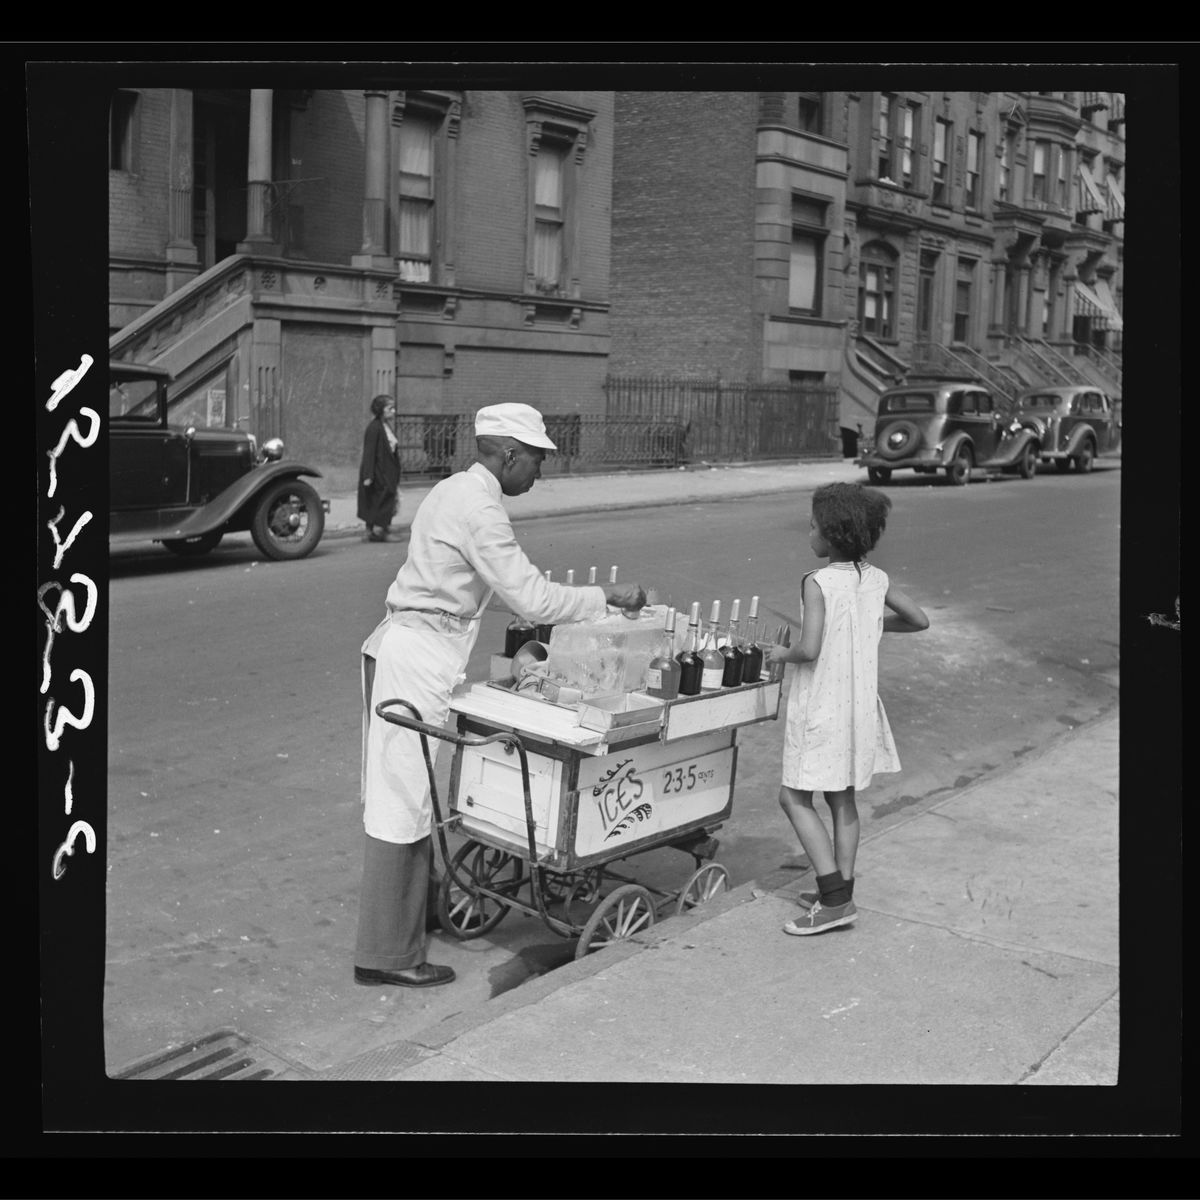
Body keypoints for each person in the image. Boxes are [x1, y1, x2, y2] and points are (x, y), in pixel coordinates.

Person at [354, 402, 647, 988]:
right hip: (417, 654)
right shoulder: (480, 508)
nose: (539, 472)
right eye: (536, 458)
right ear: (508, 454)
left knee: (406, 795)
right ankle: (387, 956)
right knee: (403, 801)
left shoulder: (454, 489)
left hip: (406, 645)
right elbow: (532, 600)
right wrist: (606, 597)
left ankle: (408, 923)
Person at [765, 482, 929, 937]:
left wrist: (781, 655)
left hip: (822, 707)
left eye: (813, 526)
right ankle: (842, 892)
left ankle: (834, 900)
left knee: (793, 797)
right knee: (842, 798)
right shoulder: (875, 578)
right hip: (858, 707)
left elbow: (810, 648)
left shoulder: (817, 581)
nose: (809, 533)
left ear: (832, 534)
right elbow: (919, 619)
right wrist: (874, 624)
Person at [357, 394, 401, 542]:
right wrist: (368, 476)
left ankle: (374, 531)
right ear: (381, 410)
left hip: (387, 472)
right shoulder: (374, 428)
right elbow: (369, 453)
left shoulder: (385, 426)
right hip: (379, 473)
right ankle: (381, 532)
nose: (393, 411)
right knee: (380, 501)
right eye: (390, 408)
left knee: (382, 501)